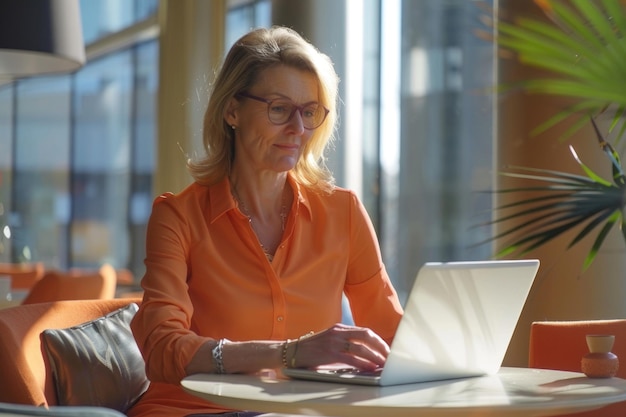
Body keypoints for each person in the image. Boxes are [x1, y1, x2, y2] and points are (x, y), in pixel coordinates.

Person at [129, 26, 404, 417]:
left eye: (309, 112)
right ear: (232, 110)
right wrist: (291, 353)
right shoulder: (178, 217)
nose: (298, 129)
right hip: (193, 411)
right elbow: (161, 348)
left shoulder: (343, 213)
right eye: (279, 108)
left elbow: (390, 333)